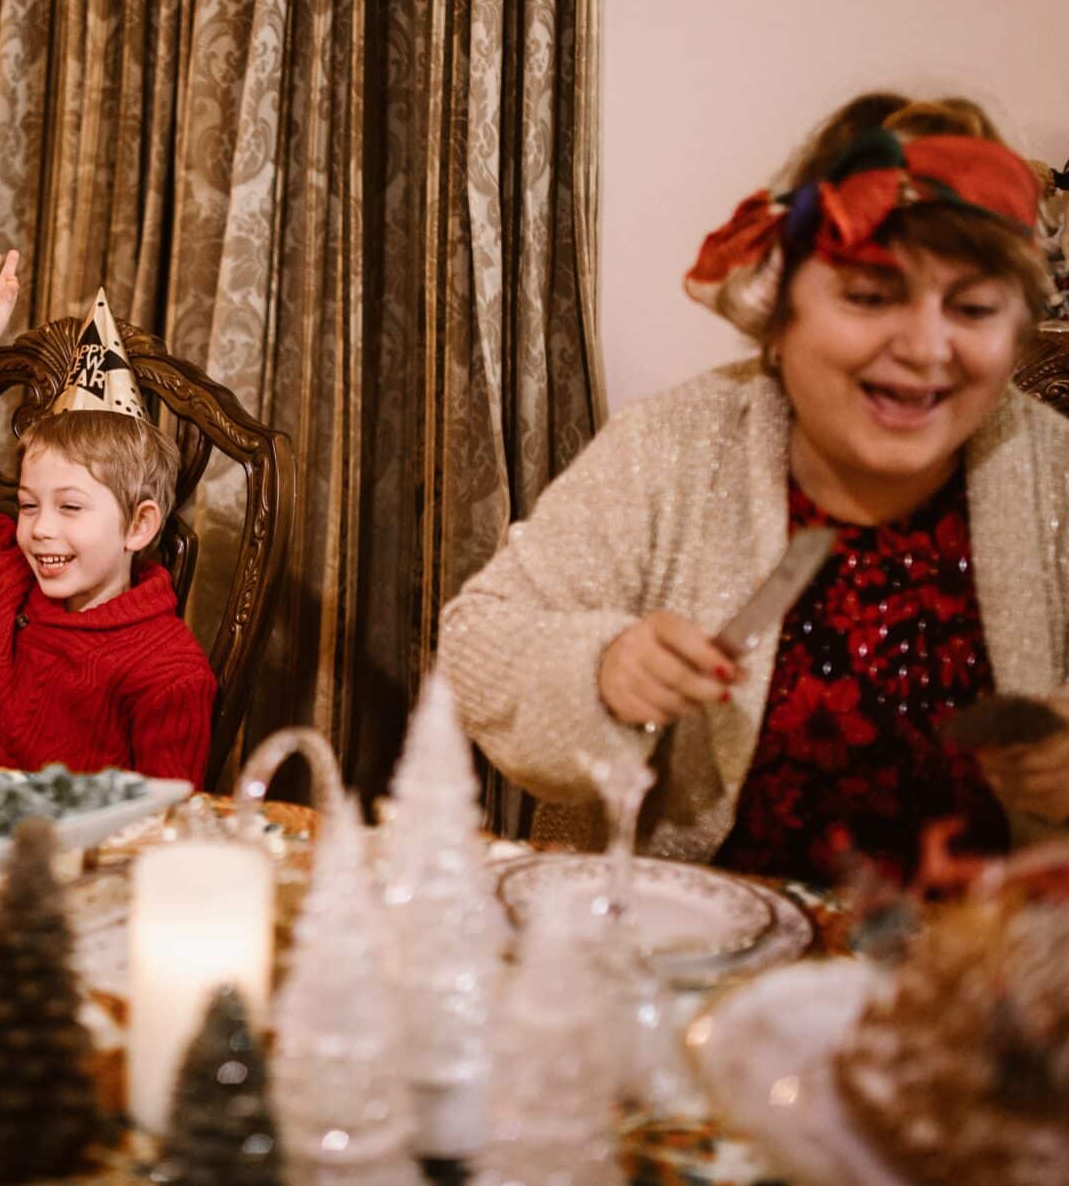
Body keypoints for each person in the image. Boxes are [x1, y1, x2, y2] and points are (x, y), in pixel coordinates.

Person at [438, 93, 1069, 883]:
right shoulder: (671, 448)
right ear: (779, 310)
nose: (925, 346)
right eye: (870, 296)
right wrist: (602, 667)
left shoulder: (1054, 470)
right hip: (695, 954)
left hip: (977, 975)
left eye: (973, 307)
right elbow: (481, 636)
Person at [0, 251, 216, 782]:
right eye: (29, 504)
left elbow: (165, 822)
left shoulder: (170, 671)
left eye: (70, 506)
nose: (41, 527)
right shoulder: (5, 581)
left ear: (138, 526)